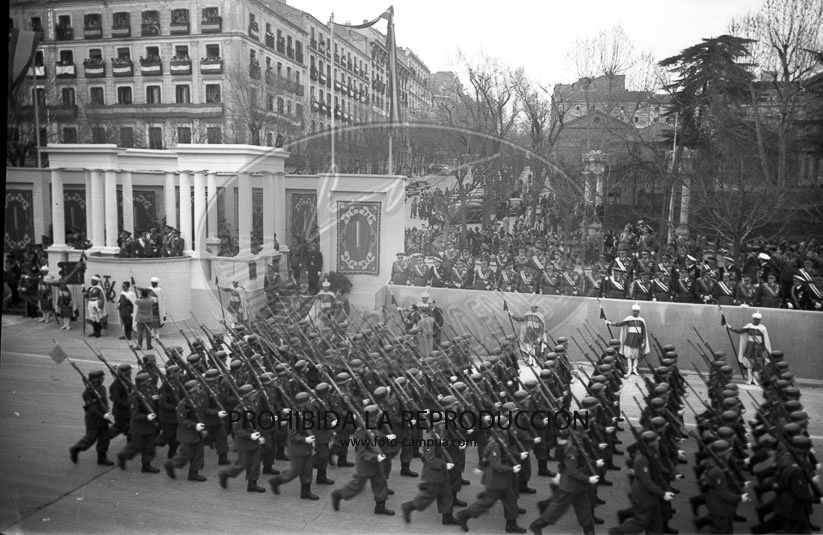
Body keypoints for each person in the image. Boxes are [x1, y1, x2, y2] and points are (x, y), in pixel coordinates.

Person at [269, 392, 319, 499]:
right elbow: (292, 435)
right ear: (304, 404)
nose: (311, 403)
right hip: (297, 448)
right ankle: (276, 481)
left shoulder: (307, 412)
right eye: (309, 402)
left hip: (307, 447)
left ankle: (305, 492)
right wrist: (305, 439)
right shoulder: (294, 417)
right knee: (294, 471)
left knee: (307, 470)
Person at [219, 385, 266, 493]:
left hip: (254, 438)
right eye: (252, 394)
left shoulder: (252, 405)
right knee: (242, 464)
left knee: (255, 462)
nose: (255, 396)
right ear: (246, 396)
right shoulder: (239, 410)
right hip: (244, 441)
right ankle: (225, 473)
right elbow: (237, 430)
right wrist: (250, 436)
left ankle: (252, 484)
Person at [116, 372, 160, 473]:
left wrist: (152, 399)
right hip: (139, 427)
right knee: (136, 447)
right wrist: (147, 417)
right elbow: (135, 415)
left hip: (149, 426)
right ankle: (122, 456)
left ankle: (146, 465)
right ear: (143, 384)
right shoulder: (135, 397)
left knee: (149, 446)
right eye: (148, 382)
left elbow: (147, 401)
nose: (150, 383)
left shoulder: (146, 391)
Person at [69, 369, 115, 466]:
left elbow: (104, 402)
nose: (103, 379)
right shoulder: (88, 393)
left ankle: (102, 458)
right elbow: (92, 410)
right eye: (101, 377)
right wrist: (103, 415)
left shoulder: (102, 388)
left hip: (103, 418)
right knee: (90, 439)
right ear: (96, 380)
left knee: (104, 438)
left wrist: (107, 411)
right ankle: (76, 449)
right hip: (94, 420)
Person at [726, 311, 771, 385]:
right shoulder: (749, 326)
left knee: (757, 364)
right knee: (749, 363)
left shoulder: (763, 328)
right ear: (753, 319)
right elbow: (740, 330)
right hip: (750, 347)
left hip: (759, 348)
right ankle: (749, 379)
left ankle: (755, 380)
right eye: (756, 319)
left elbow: (765, 340)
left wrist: (764, 350)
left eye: (758, 319)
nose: (757, 320)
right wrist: (730, 327)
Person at [606, 303, 650, 376]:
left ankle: (634, 369)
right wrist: (611, 323)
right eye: (634, 311)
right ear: (632, 311)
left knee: (636, 356)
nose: (635, 312)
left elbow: (644, 332)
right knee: (629, 355)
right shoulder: (629, 319)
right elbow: (620, 323)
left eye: (637, 311)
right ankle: (629, 369)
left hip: (638, 340)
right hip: (629, 339)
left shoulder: (641, 320)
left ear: (639, 312)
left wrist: (643, 341)